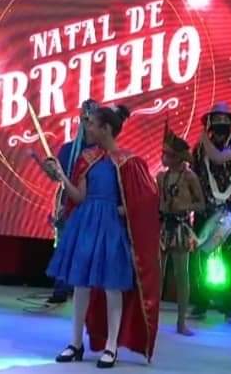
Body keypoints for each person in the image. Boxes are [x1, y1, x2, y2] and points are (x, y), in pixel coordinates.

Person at [47, 105, 160, 368]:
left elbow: (146, 200)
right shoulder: (88, 159)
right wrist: (62, 176)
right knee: (81, 284)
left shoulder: (128, 161)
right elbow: (79, 197)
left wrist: (120, 210)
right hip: (86, 226)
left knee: (112, 286)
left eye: (92, 124)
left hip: (111, 231)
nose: (87, 128)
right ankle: (75, 343)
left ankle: (111, 346)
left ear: (106, 129)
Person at [190, 101, 231, 323]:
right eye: (215, 119)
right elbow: (195, 173)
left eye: (224, 119)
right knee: (201, 254)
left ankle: (230, 305)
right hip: (205, 207)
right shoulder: (200, 147)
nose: (220, 122)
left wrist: (203, 137)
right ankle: (201, 302)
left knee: (229, 256)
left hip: (228, 206)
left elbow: (219, 157)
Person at [39, 99, 99, 304]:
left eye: (91, 119)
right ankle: (61, 288)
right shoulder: (68, 150)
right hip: (70, 204)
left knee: (90, 251)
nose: (88, 123)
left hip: (93, 206)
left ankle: (90, 291)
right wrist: (48, 169)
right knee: (65, 246)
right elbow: (58, 177)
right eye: (85, 119)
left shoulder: (103, 151)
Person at [157, 124, 205, 336]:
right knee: (157, 275)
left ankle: (181, 322)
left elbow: (201, 204)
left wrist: (184, 206)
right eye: (163, 153)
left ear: (178, 158)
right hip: (163, 227)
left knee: (181, 276)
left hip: (180, 228)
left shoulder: (189, 177)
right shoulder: (161, 177)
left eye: (167, 154)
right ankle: (152, 319)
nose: (163, 158)